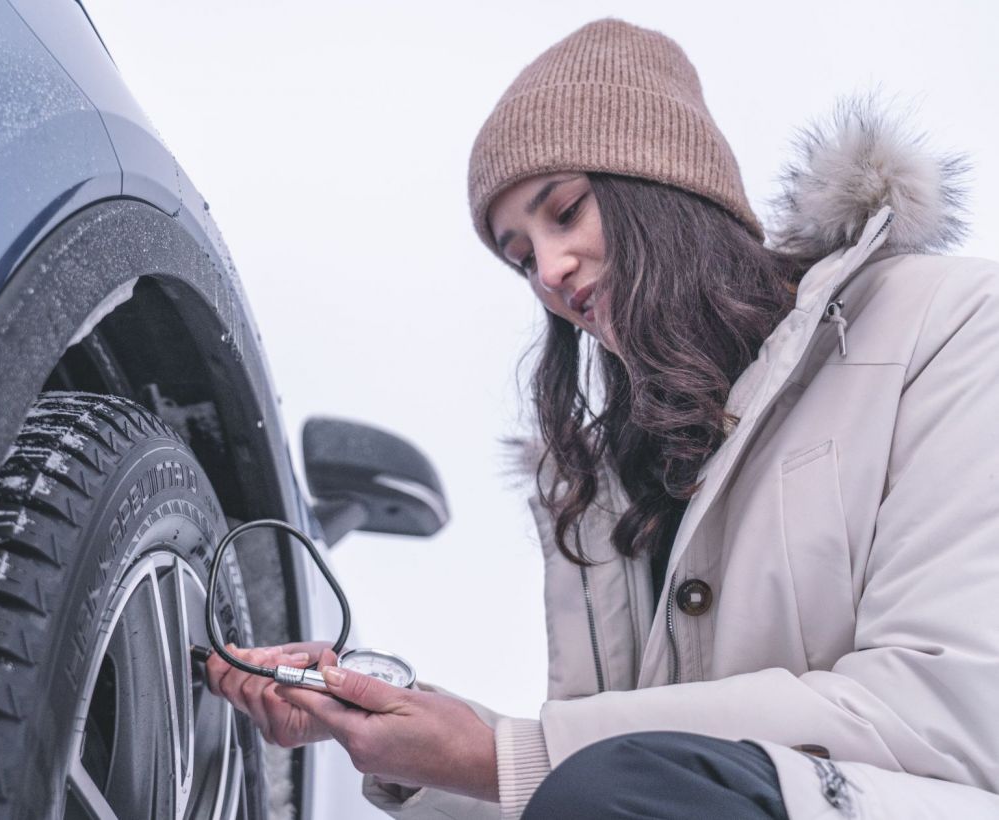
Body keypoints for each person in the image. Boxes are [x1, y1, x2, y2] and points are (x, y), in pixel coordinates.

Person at [206, 17, 999, 819]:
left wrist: (507, 754)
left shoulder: (942, 325)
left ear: (662, 182)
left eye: (565, 212)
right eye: (521, 258)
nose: (550, 272)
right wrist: (385, 732)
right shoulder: (598, 489)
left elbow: (940, 711)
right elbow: (572, 790)